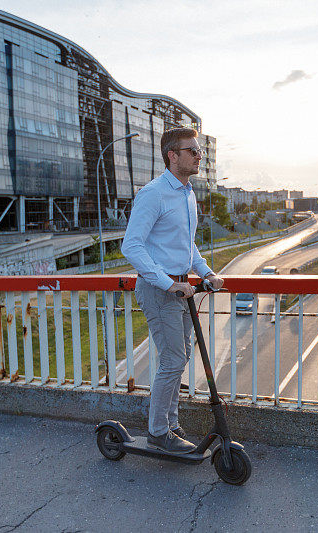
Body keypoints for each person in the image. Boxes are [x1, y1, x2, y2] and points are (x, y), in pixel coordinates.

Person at [121, 127, 224, 454]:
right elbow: (131, 246)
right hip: (159, 289)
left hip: (182, 288)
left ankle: (171, 424)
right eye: (192, 151)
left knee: (177, 360)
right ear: (172, 155)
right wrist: (168, 283)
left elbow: (185, 244)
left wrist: (205, 271)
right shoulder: (153, 193)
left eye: (198, 151)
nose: (198, 156)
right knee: (173, 360)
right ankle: (158, 432)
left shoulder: (186, 193)